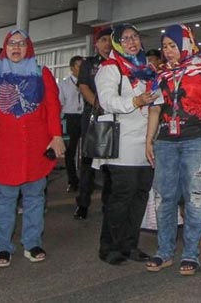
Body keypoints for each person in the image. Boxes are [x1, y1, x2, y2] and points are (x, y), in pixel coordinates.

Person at [144, 24, 201, 276]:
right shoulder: (160, 75)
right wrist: (149, 139)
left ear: (186, 43)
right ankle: (165, 252)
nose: (168, 51)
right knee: (164, 198)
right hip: (166, 142)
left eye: (173, 45)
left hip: (199, 139)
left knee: (196, 196)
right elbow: (155, 108)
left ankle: (191, 253)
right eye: (165, 47)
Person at [0, 29, 64, 268]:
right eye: (12, 43)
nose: (16, 47)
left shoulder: (40, 72)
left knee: (35, 197)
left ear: (29, 48)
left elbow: (53, 106)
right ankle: (2, 246)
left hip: (36, 146)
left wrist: (57, 136)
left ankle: (32, 242)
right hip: (6, 147)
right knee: (4, 198)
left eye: (22, 44)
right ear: (5, 47)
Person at [94, 25, 157, 265]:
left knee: (140, 194)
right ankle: (109, 245)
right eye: (125, 38)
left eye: (135, 37)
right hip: (122, 141)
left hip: (146, 139)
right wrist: (135, 100)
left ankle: (130, 244)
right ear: (117, 43)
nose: (131, 42)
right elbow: (107, 100)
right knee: (122, 196)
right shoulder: (110, 68)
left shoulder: (146, 68)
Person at [75, 26, 112, 220]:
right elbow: (83, 87)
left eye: (110, 40)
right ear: (96, 44)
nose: (107, 44)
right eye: (103, 40)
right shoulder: (89, 64)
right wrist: (100, 104)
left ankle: (108, 204)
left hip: (113, 119)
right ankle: (83, 203)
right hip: (93, 116)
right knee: (88, 163)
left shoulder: (119, 64)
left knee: (109, 164)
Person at [58, 55, 84, 193]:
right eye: (79, 66)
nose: (82, 69)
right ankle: (73, 180)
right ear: (72, 68)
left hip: (84, 116)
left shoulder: (88, 83)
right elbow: (60, 104)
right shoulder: (64, 85)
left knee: (87, 150)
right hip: (70, 118)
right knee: (70, 151)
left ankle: (86, 180)